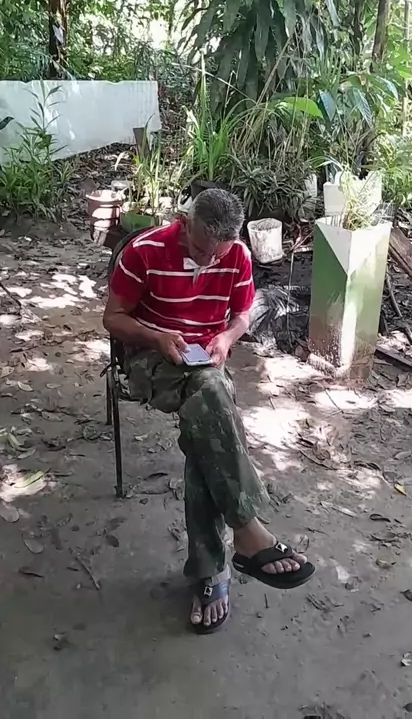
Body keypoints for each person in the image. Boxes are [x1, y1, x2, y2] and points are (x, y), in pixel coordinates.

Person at [103, 189, 314, 633]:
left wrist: (227, 338)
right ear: (185, 224)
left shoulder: (236, 256)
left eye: (217, 253)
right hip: (150, 357)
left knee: (207, 418)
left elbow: (242, 315)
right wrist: (158, 337)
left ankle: (211, 570)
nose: (208, 260)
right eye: (200, 250)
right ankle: (245, 533)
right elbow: (113, 318)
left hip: (205, 362)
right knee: (213, 402)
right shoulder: (144, 251)